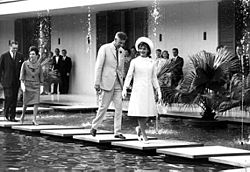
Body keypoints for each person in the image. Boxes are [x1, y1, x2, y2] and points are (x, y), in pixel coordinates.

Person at [122, 37, 162, 143]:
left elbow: (154, 77)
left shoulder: (151, 62)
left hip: (148, 89)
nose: (142, 51)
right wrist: (125, 88)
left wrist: (158, 90)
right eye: (140, 48)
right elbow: (129, 75)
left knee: (148, 113)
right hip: (138, 89)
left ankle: (139, 128)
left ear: (148, 50)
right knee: (140, 112)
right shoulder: (134, 61)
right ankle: (144, 135)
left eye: (144, 49)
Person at [90, 31, 127, 139]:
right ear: (115, 39)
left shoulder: (122, 51)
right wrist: (97, 82)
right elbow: (99, 66)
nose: (121, 45)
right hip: (106, 82)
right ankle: (94, 127)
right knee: (103, 107)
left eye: (123, 43)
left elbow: (121, 69)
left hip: (118, 84)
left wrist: (123, 84)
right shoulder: (104, 48)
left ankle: (117, 132)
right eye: (120, 42)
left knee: (119, 108)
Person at [0, 40, 24, 121]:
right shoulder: (4, 56)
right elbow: (0, 69)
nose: (15, 50)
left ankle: (12, 116)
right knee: (8, 97)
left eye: (16, 48)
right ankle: (6, 113)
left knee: (14, 99)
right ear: (10, 47)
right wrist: (1, 81)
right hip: (7, 81)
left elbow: (22, 69)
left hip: (16, 81)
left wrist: (22, 81)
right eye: (13, 48)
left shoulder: (20, 56)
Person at [19, 46, 44, 125]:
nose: (31, 56)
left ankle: (34, 119)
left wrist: (42, 86)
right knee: (25, 103)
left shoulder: (39, 65)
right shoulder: (25, 64)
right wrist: (22, 84)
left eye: (33, 54)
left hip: (36, 85)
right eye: (30, 54)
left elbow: (41, 76)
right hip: (27, 85)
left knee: (36, 102)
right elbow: (22, 75)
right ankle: (22, 116)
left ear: (37, 55)